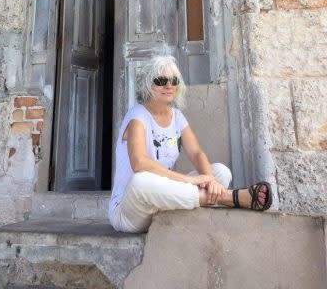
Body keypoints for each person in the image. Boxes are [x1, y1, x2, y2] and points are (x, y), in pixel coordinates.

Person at [109, 55, 272, 233]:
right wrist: (190, 180)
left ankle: (205, 196)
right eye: (161, 80)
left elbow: (196, 153)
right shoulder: (137, 117)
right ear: (148, 84)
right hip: (129, 210)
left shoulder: (176, 117)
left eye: (174, 80)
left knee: (221, 173)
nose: (169, 85)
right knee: (140, 181)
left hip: (162, 204)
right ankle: (231, 197)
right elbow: (139, 163)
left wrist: (209, 179)